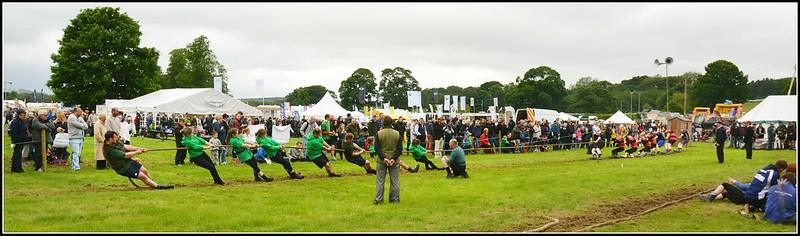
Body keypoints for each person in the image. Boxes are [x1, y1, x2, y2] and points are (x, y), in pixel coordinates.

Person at [699, 160, 787, 212]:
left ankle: (711, 196)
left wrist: (735, 182)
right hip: (756, 200)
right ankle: (711, 197)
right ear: (781, 169)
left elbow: (749, 186)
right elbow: (776, 190)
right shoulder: (775, 175)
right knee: (725, 189)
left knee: (725, 186)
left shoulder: (762, 170)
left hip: (747, 196)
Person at [102, 131, 174, 190]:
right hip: (123, 168)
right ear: (110, 139)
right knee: (143, 176)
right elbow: (126, 155)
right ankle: (157, 186)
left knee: (145, 171)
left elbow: (126, 147)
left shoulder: (115, 142)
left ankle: (152, 183)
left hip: (128, 161)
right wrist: (137, 152)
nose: (117, 138)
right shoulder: (109, 150)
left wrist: (140, 148)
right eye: (115, 137)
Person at [373, 116, 403, 204]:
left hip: (381, 160)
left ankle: (378, 199)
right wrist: (393, 159)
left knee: (380, 181)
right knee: (395, 180)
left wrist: (384, 158)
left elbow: (377, 148)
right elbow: (399, 149)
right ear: (391, 123)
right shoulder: (397, 134)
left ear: (383, 123)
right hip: (394, 160)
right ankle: (394, 199)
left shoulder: (379, 133)